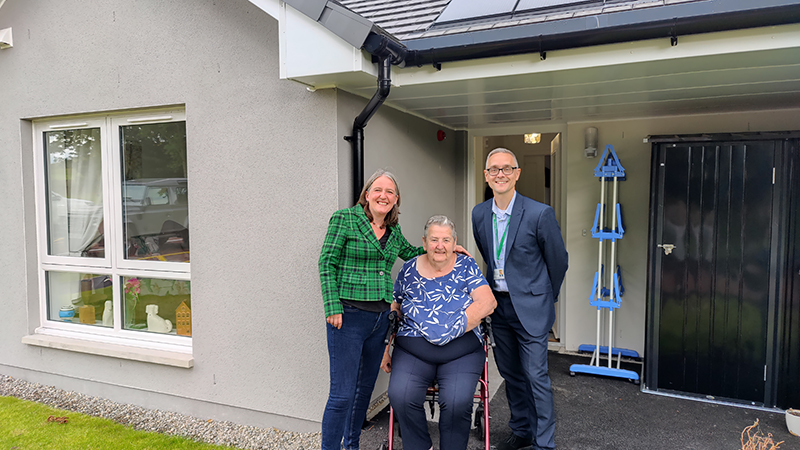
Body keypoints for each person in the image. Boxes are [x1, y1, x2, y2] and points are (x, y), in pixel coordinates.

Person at [318, 170, 469, 450]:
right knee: (342, 394)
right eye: (378, 190)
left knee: (363, 392)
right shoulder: (345, 219)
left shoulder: (393, 230)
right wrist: (332, 306)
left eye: (390, 192)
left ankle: (351, 445)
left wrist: (446, 249)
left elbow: (413, 253)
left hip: (379, 319)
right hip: (348, 317)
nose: (383, 196)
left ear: (396, 199)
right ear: (367, 194)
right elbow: (327, 262)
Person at [471, 148, 568, 450]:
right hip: (499, 308)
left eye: (506, 169)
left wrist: (544, 298)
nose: (500, 174)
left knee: (536, 376)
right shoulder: (479, 213)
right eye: (494, 170)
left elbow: (558, 261)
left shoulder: (540, 213)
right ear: (486, 176)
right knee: (511, 373)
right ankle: (522, 429)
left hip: (532, 309)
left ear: (517, 173)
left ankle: (544, 443)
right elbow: (490, 255)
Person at [382, 215, 496, 450]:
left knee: (456, 402)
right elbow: (395, 307)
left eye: (446, 240)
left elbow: (487, 302)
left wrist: (449, 328)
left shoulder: (466, 265)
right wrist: (385, 349)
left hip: (461, 351)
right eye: (434, 239)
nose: (440, 246)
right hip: (413, 349)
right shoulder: (409, 268)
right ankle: (421, 446)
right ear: (424, 242)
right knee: (400, 395)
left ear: (454, 243)